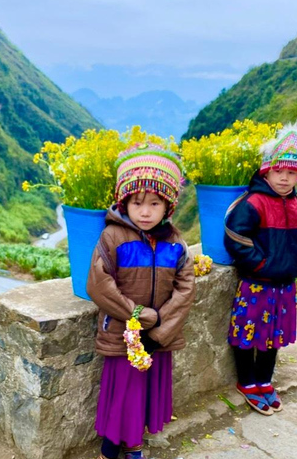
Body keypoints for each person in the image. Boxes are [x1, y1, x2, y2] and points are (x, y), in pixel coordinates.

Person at [87, 143, 196, 459]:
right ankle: (111, 445)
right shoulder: (113, 237)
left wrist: (160, 326)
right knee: (123, 391)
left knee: (144, 392)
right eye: (137, 203)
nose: (145, 211)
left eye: (154, 203)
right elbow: (98, 283)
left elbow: (185, 289)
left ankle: (133, 442)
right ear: (125, 202)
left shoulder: (175, 244)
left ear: (168, 206)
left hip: (158, 336)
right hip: (123, 332)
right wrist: (136, 314)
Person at [224, 123, 297, 415]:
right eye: (280, 171)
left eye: (292, 173)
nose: (285, 178)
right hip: (257, 283)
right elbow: (235, 237)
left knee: (273, 335)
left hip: (284, 285)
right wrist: (262, 264)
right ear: (267, 169)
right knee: (247, 332)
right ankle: (247, 381)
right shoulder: (252, 203)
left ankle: (264, 380)